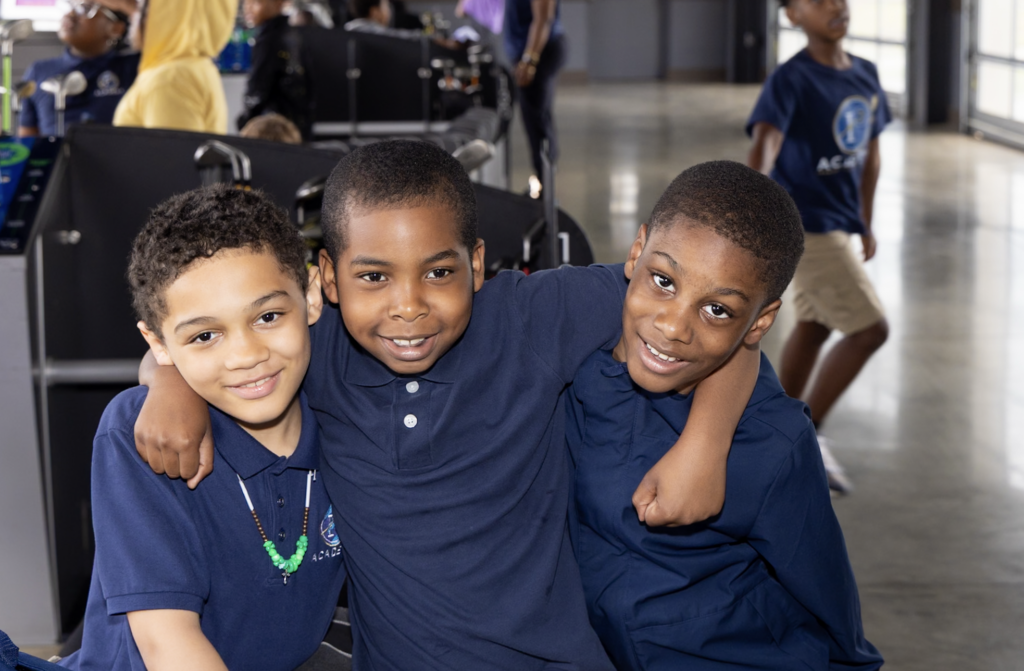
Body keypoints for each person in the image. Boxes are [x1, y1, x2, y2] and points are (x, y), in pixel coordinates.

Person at [134, 140, 760, 669]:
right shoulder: (312, 352)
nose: (409, 307)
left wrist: (705, 447)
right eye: (373, 277)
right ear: (327, 278)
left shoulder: (531, 318)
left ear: (476, 264)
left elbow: (716, 325)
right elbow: (196, 346)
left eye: (438, 273)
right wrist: (169, 384)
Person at [569, 161, 883, 670]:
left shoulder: (772, 443)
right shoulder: (573, 361)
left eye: (717, 310)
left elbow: (829, 602)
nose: (673, 326)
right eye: (664, 281)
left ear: (760, 322)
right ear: (636, 251)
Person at [57, 186, 348, 671]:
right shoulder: (138, 436)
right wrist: (165, 377)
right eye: (205, 335)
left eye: (268, 316)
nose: (246, 356)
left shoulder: (344, 407)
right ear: (158, 343)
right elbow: (167, 645)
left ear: (312, 295)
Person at [747, 0, 889, 493]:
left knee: (814, 327)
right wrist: (754, 211)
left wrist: (864, 220)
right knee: (870, 331)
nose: (834, 5)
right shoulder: (791, 79)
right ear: (792, 16)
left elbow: (871, 154)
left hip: (839, 224)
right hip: (806, 226)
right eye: (816, 0)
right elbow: (765, 144)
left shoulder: (866, 74)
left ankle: (771, 435)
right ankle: (806, 435)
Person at [109, 0, 236, 133]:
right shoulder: (193, 67)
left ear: (163, 16)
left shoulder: (169, 79)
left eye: (142, 10)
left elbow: (171, 146)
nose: (133, 17)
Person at [19, 0, 138, 137]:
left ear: (116, 28)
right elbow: (27, 140)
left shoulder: (134, 67)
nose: (70, 14)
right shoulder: (39, 71)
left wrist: (130, 8)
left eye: (85, 9)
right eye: (72, 7)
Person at [505, 0, 565, 198]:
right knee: (535, 120)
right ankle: (544, 182)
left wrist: (529, 60)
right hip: (527, 53)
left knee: (538, 123)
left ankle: (546, 188)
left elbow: (543, 19)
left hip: (538, 54)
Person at [237, 0, 314, 140]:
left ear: (277, 3)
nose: (248, 8)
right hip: (294, 130)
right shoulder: (292, 34)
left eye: (256, 2)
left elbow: (258, 89)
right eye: (246, 2)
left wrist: (244, 122)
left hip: (273, 131)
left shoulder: (269, 39)